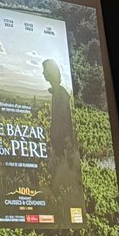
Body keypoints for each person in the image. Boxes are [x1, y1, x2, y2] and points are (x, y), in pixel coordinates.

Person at [41, 58, 82, 211]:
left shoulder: (60, 94)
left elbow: (64, 122)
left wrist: (62, 144)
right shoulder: (58, 92)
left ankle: (62, 209)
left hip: (61, 146)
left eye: (45, 70)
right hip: (59, 145)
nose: (43, 73)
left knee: (62, 179)